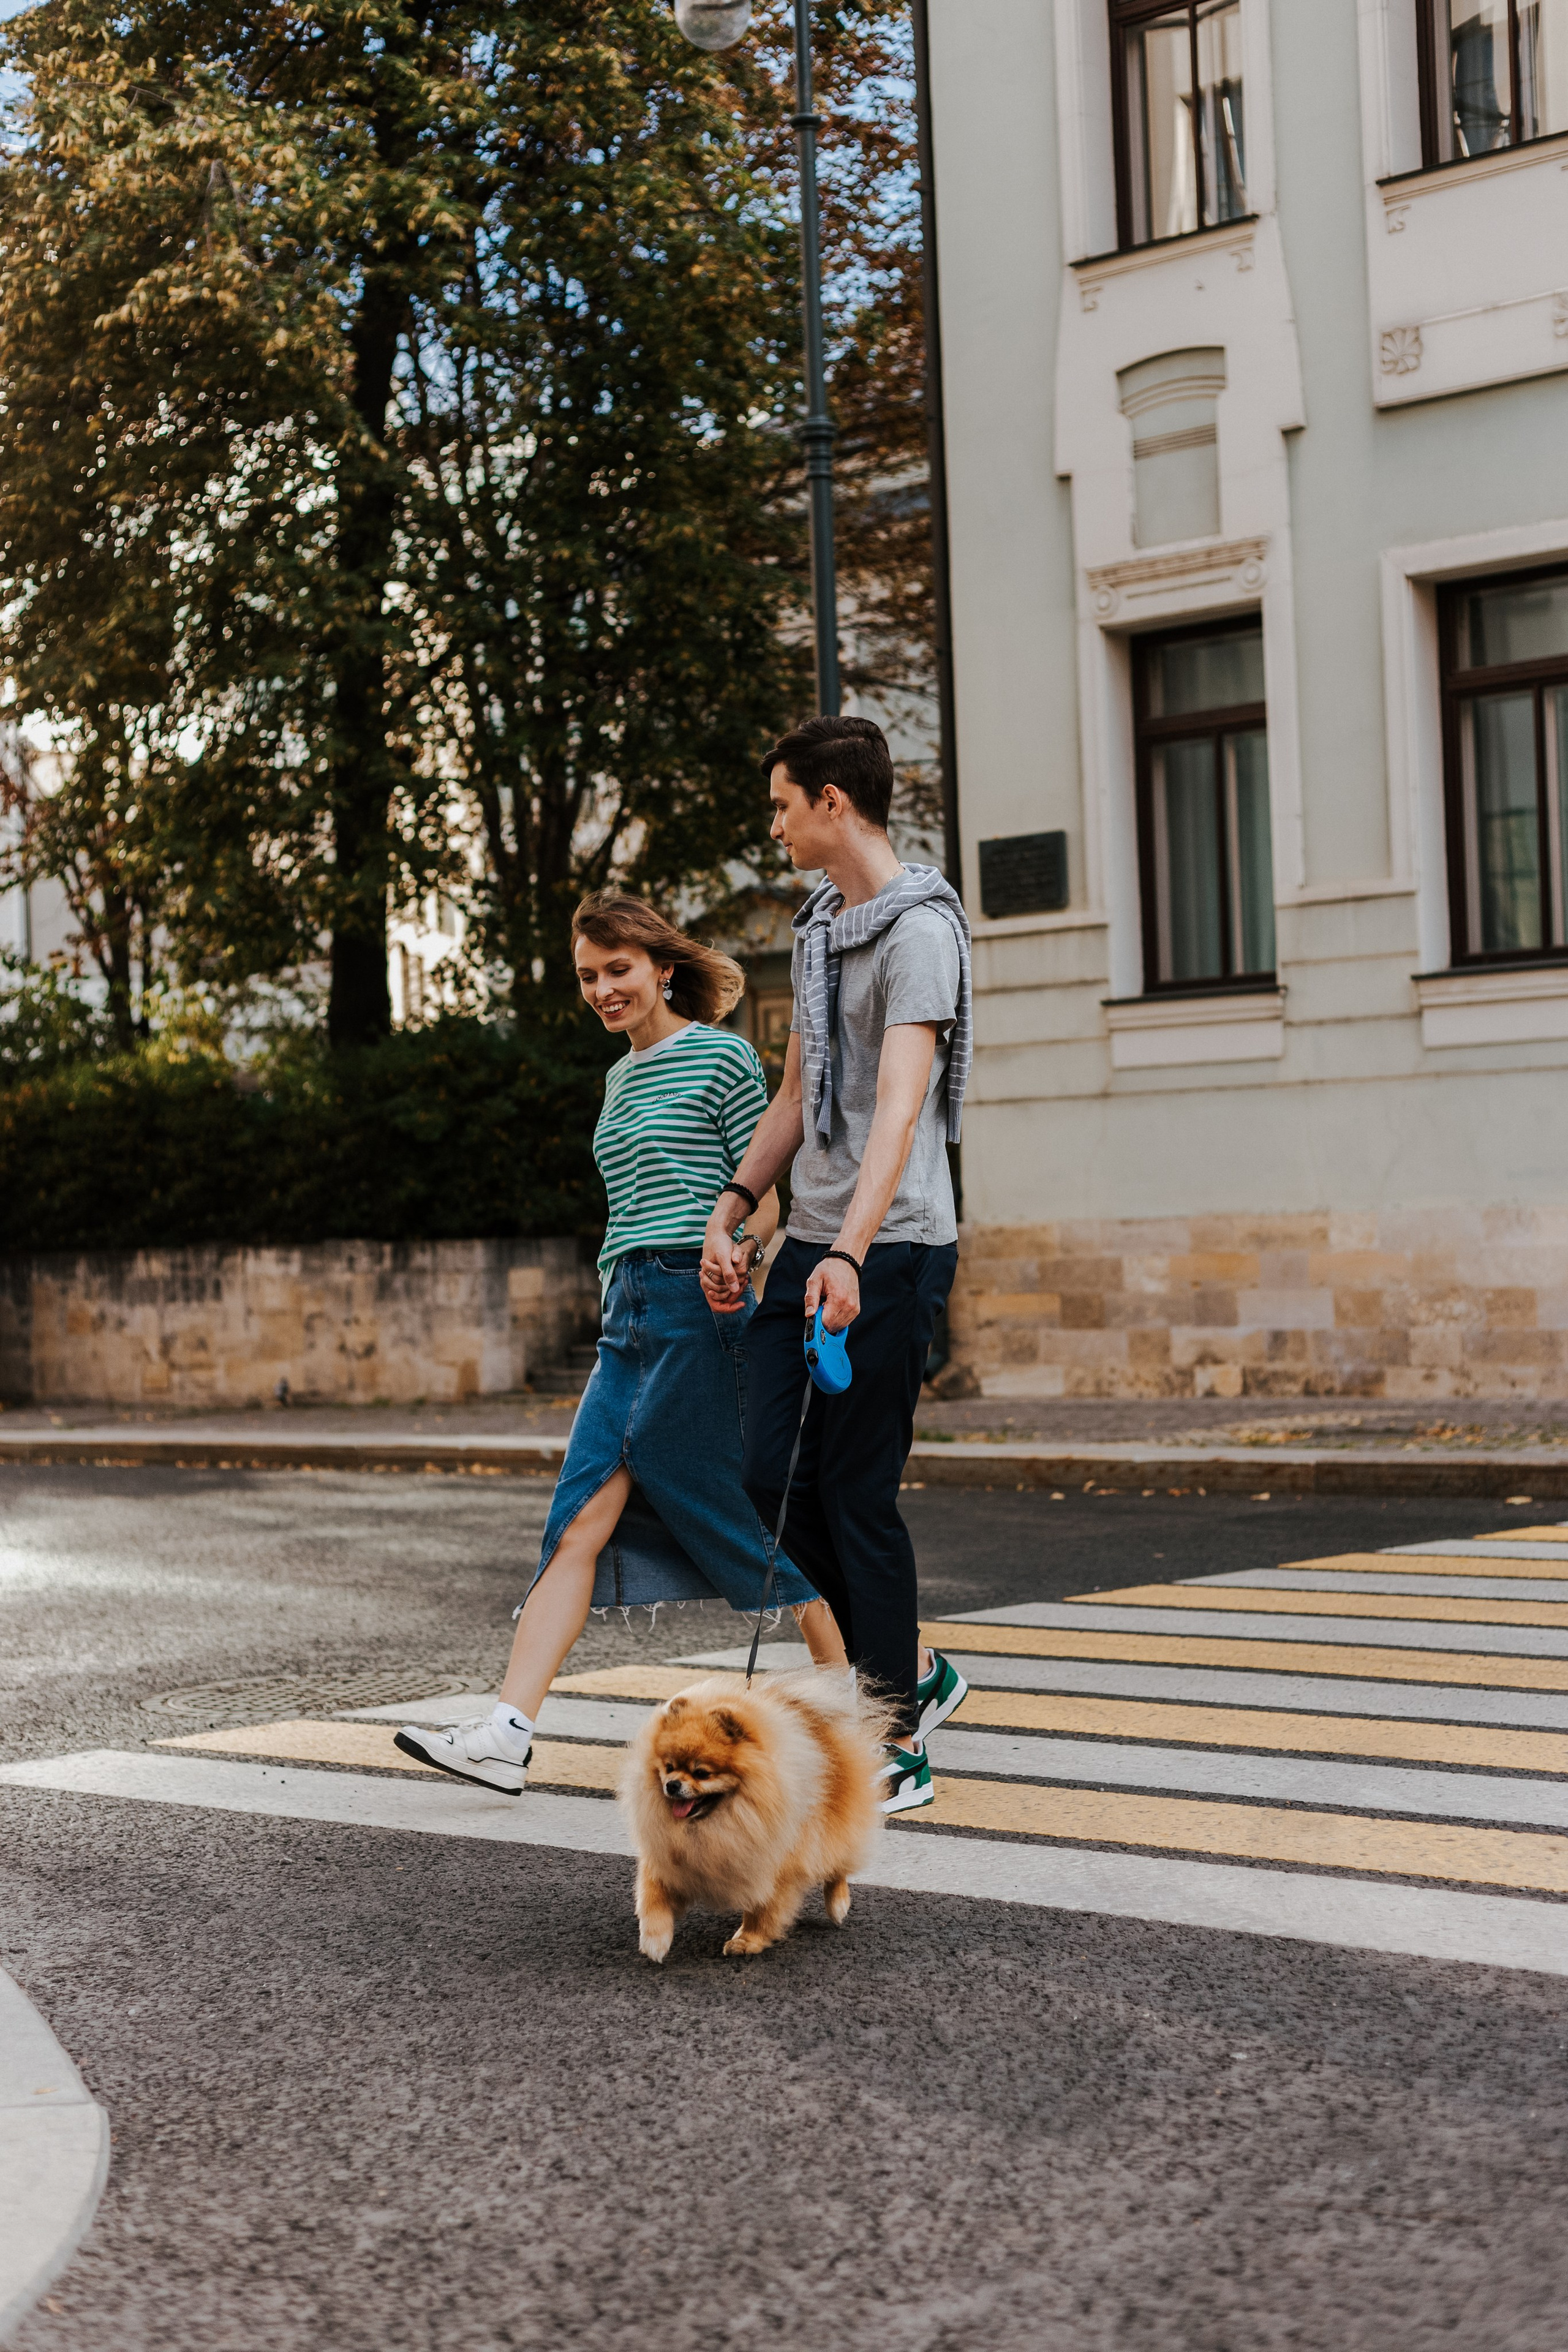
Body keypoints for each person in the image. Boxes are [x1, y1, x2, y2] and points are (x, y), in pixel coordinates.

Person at [397, 893, 843, 1796]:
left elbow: (760, 1192)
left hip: (695, 1305)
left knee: (743, 1523)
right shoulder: (617, 1078)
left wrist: (743, 1253)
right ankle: (507, 1734)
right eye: (589, 978)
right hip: (627, 1315)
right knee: (579, 1520)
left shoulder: (721, 1059)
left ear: (662, 968)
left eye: (619, 971)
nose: (604, 990)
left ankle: (862, 1705)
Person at [700, 714, 974, 1814]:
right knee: (767, 1474)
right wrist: (735, 1210)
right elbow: (796, 1099)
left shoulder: (920, 934)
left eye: (781, 805)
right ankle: (912, 1675)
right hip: (812, 1239)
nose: (772, 825)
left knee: (858, 1497)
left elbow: (901, 1110)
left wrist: (852, 1255)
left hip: (892, 1248)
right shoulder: (819, 927)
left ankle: (898, 1735)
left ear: (833, 803)